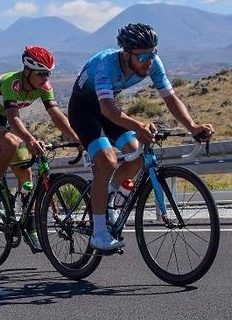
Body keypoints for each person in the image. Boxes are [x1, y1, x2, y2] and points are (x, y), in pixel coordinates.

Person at [69, 23, 215, 251]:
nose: (149, 60)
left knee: (136, 152)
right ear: (126, 54)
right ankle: (98, 233)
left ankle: (109, 195)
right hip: (84, 109)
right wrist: (138, 125)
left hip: (109, 106)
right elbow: (107, 109)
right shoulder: (105, 65)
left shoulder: (153, 63)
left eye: (153, 53)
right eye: (143, 55)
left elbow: (170, 98)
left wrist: (193, 126)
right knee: (107, 162)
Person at [0, 46, 81, 249]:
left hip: (1, 118)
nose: (45, 78)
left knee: (26, 175)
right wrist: (30, 139)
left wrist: (76, 138)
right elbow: (13, 118)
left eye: (48, 74)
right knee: (12, 142)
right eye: (41, 74)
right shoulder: (12, 83)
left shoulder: (44, 86)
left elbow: (56, 115)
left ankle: (29, 229)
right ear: (27, 71)